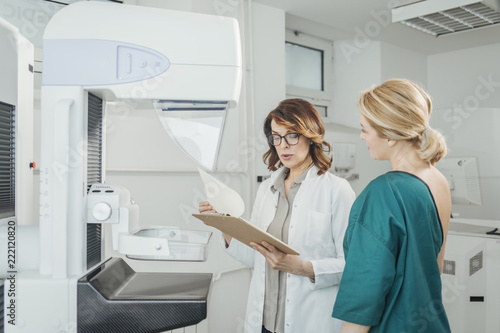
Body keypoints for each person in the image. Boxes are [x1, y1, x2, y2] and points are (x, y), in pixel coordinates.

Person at [199, 98, 355, 333]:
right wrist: (224, 223)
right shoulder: (267, 189)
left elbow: (352, 264)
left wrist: (302, 267)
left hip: (310, 322)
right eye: (276, 136)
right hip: (264, 323)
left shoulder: (336, 190)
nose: (283, 145)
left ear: (310, 134)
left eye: (292, 135)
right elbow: (255, 256)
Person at [331, 79, 452, 333]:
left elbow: (363, 298)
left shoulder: (383, 193)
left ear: (389, 135)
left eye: (365, 129)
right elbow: (435, 267)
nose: (362, 136)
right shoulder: (437, 180)